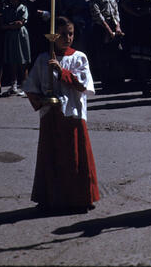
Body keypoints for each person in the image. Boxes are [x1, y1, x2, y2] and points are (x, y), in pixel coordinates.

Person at [23, 16, 99, 212]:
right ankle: (50, 197)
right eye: (63, 34)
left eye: (71, 34)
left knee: (74, 155)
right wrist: (40, 99)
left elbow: (83, 85)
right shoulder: (42, 59)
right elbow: (31, 85)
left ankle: (80, 198)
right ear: (53, 36)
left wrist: (62, 71)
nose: (67, 38)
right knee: (52, 155)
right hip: (51, 114)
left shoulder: (79, 57)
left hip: (72, 113)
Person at [90, 0, 125, 93]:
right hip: (101, 26)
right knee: (103, 56)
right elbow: (96, 13)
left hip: (113, 24)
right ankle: (106, 83)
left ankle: (117, 82)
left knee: (116, 54)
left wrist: (117, 26)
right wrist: (108, 30)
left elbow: (115, 10)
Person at [1, 0, 31, 97]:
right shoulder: (7, 9)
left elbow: (20, 23)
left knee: (22, 61)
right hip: (10, 36)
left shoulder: (23, 8)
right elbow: (3, 25)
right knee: (12, 60)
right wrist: (11, 25)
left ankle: (25, 86)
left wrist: (11, 24)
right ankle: (13, 84)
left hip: (20, 35)